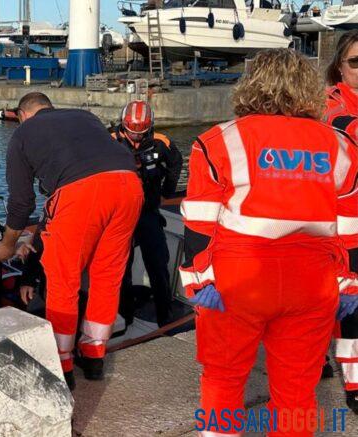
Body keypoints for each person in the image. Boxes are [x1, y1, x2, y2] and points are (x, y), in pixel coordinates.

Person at [181, 49, 358, 436]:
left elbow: (198, 223)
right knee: (297, 390)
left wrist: (196, 280)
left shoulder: (217, 141)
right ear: (309, 89)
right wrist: (349, 283)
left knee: (223, 381)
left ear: (251, 84)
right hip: (313, 281)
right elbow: (350, 227)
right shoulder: (342, 145)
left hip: (239, 279)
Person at [0, 92, 143, 389]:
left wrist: (8, 244)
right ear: (50, 107)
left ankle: (63, 366)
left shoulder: (24, 133)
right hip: (129, 186)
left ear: (23, 115)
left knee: (64, 279)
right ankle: (94, 357)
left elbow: (22, 203)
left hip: (81, 193)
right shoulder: (84, 116)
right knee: (107, 276)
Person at [112, 100, 183, 327]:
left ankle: (165, 317)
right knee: (121, 267)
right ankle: (125, 316)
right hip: (120, 215)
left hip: (147, 212)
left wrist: (166, 193)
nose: (135, 138)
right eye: (131, 132)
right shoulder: (108, 141)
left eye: (141, 134)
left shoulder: (161, 143)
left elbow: (175, 163)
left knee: (158, 263)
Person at [324, 29, 358, 414]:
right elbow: (344, 126)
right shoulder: (330, 104)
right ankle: (354, 383)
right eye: (355, 62)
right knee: (347, 306)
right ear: (339, 68)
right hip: (339, 227)